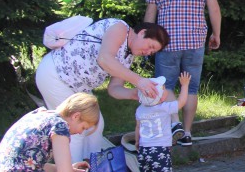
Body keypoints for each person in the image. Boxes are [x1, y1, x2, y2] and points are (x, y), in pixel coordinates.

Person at [35, 19, 169, 162]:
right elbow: (104, 59)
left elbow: (114, 89)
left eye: (152, 52)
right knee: (76, 127)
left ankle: (93, 168)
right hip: (56, 74)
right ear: (142, 33)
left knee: (95, 126)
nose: (147, 52)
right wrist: (140, 81)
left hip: (78, 87)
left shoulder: (128, 57)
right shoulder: (120, 28)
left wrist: (136, 94)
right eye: (150, 46)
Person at [145, 0, 221, 146]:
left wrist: (148, 40)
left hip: (166, 42)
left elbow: (150, 13)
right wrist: (216, 34)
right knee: (192, 88)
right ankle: (187, 133)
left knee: (165, 85)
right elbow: (214, 9)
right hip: (195, 42)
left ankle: (174, 123)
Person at [136, 72, 191, 172]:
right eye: (164, 89)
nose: (166, 90)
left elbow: (138, 128)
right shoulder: (164, 108)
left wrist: (137, 142)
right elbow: (181, 102)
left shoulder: (140, 110)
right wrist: (185, 86)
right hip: (160, 149)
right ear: (160, 97)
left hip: (144, 148)